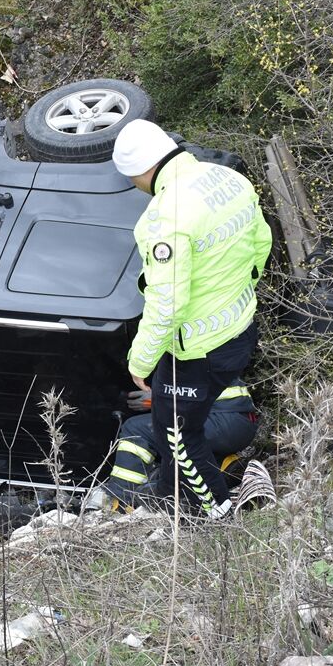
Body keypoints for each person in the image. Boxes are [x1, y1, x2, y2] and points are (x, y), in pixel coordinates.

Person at [113, 119, 272, 519]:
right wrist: (238, 290)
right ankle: (172, 504)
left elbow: (166, 301)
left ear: (138, 171)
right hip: (238, 330)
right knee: (178, 431)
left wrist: (140, 361)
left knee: (177, 439)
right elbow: (261, 243)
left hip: (196, 351)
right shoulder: (227, 179)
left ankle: (215, 513)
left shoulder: (164, 217)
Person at [91, 381, 259, 512]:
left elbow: (191, 387)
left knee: (136, 428)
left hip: (222, 419)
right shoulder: (205, 344)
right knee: (178, 440)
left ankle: (119, 500)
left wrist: (157, 398)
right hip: (241, 422)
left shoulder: (181, 349)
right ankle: (220, 465)